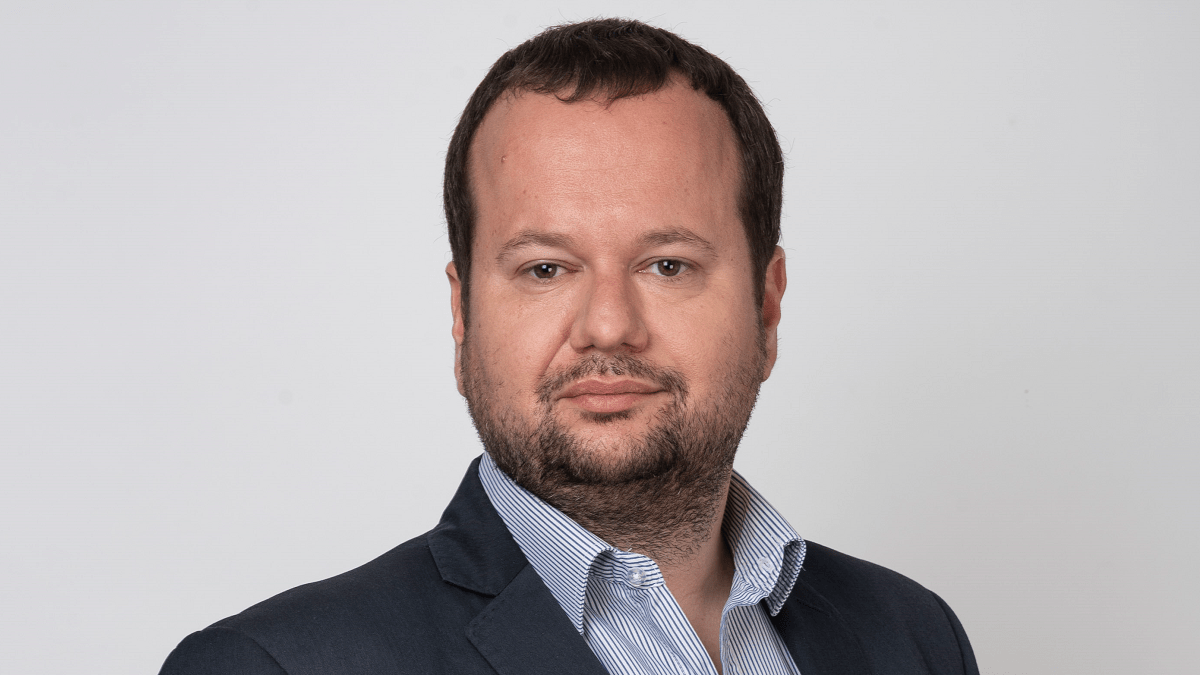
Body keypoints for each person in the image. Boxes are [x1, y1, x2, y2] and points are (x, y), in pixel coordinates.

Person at [160, 18, 979, 675]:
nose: (608, 324)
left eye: (667, 264)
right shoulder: (273, 665)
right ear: (462, 315)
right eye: (545, 269)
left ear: (767, 307)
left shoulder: (912, 636)